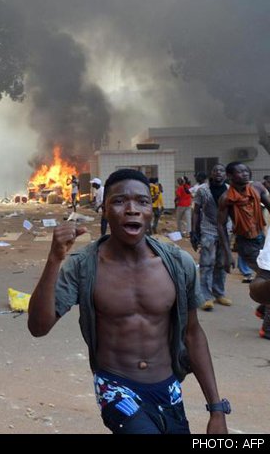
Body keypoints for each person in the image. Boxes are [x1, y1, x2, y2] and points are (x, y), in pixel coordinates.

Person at [28, 169, 227, 435]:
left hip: (167, 386)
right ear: (105, 210)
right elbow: (38, 327)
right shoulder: (84, 266)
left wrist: (216, 409)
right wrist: (54, 260)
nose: (132, 209)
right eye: (120, 201)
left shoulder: (178, 264)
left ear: (150, 210)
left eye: (142, 202)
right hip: (115, 386)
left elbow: (193, 334)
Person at [217, 162, 270, 340]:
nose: (245, 174)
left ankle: (263, 308)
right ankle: (267, 327)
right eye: (240, 172)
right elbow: (221, 226)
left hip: (262, 239)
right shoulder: (226, 197)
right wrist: (227, 254)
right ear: (230, 177)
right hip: (246, 244)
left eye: (246, 171)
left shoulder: (257, 188)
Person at [191, 164, 231, 311]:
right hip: (208, 230)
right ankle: (206, 297)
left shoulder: (230, 190)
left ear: (225, 175)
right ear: (211, 174)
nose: (218, 173)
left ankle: (219, 293)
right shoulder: (203, 190)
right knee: (207, 263)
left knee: (221, 263)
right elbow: (196, 211)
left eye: (221, 171)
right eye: (215, 170)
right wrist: (193, 231)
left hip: (226, 230)